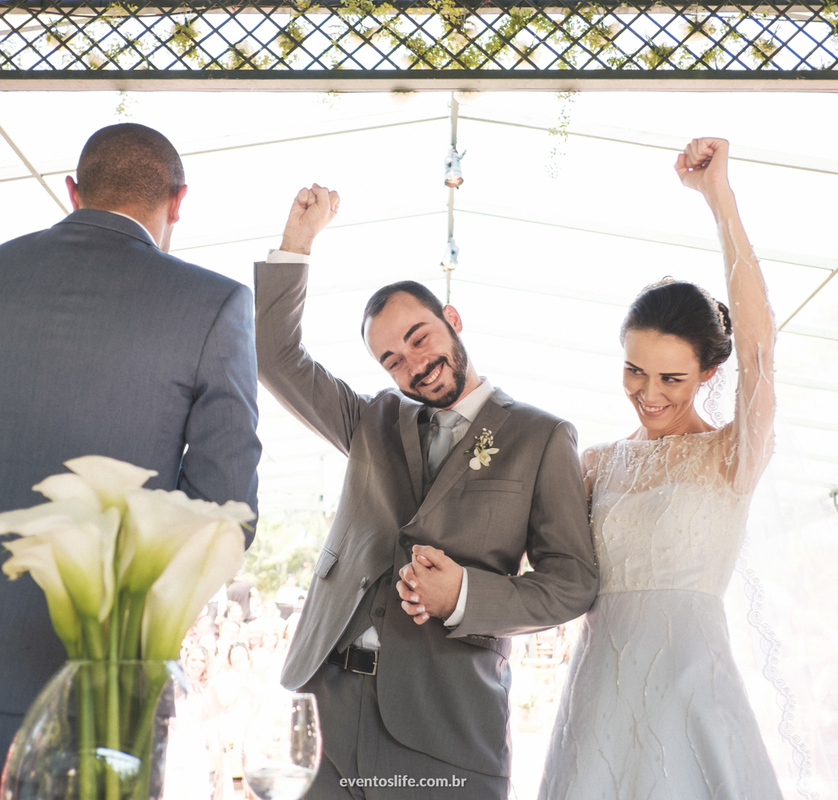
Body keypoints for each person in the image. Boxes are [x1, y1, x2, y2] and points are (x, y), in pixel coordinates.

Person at [0, 123, 261, 800]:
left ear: (71, 191)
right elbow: (226, 517)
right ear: (178, 201)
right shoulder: (216, 304)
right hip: (97, 682)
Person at [256, 184, 597, 797]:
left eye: (419, 337)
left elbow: (571, 583)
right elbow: (275, 355)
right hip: (327, 712)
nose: (412, 363)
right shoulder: (372, 421)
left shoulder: (542, 437)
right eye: (391, 359)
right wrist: (297, 244)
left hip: (444, 729)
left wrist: (464, 594)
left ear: (453, 322)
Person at [539, 138, 780, 799]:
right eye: (633, 370)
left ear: (710, 372)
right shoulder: (595, 464)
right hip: (598, 703)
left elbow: (760, 351)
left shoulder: (732, 455)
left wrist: (718, 198)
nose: (648, 393)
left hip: (693, 696)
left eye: (671, 377)